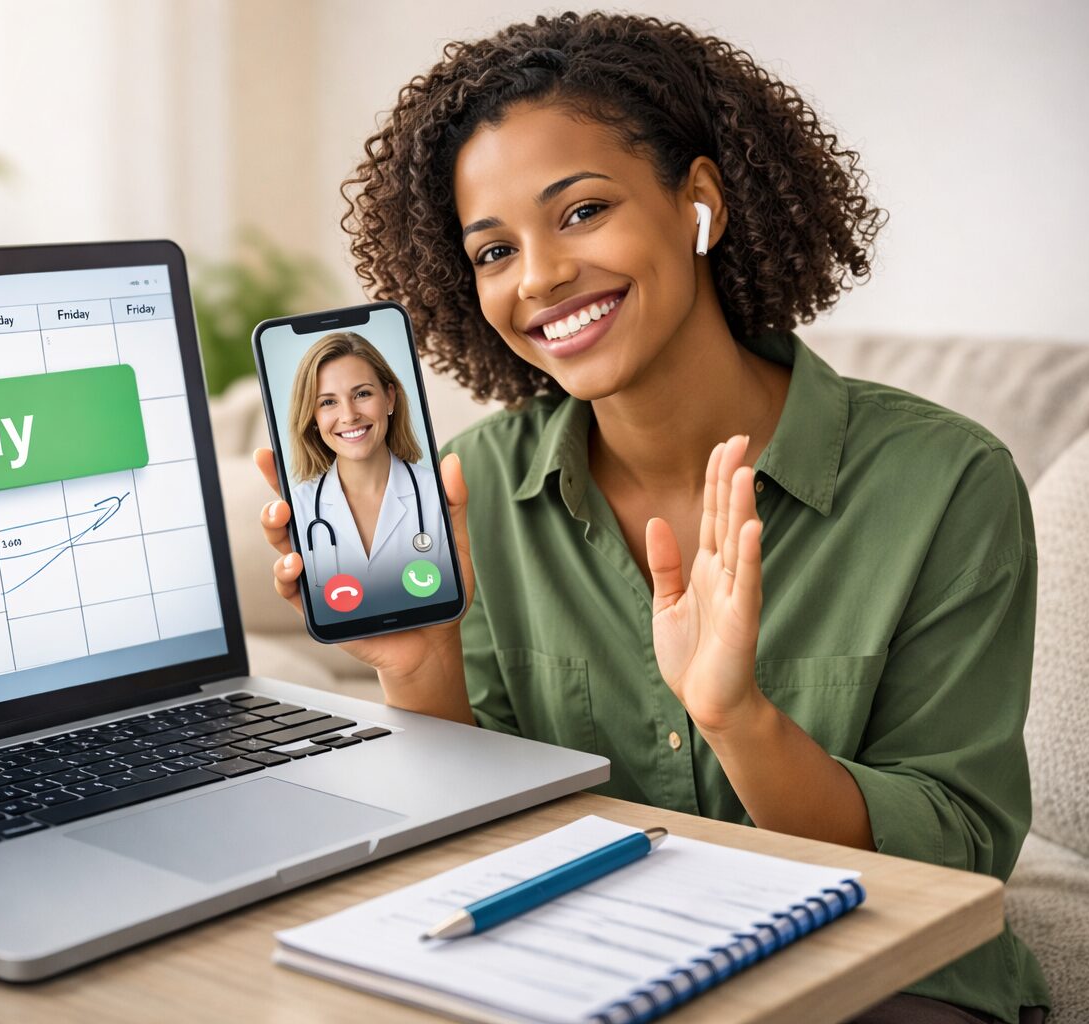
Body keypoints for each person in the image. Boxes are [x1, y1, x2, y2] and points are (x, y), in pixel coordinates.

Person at [253, 13, 1047, 1024]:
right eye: (494, 250)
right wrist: (420, 670)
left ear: (699, 201)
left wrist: (740, 721)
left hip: (878, 984)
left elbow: (958, 854)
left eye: (582, 211)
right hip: (586, 975)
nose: (538, 276)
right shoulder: (472, 488)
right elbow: (480, 841)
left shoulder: (943, 482)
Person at [284, 331, 444, 607]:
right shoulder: (299, 507)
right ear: (312, 417)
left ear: (389, 398)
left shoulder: (435, 494)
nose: (349, 415)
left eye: (362, 394)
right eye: (328, 402)